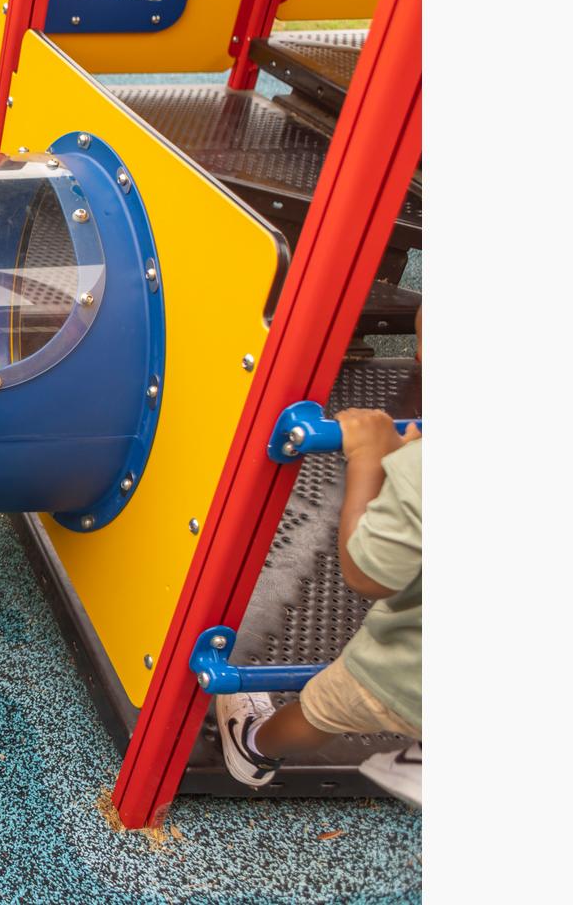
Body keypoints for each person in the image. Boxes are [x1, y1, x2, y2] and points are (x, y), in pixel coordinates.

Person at [215, 310, 423, 806]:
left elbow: (367, 572)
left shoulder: (424, 466)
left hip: (407, 670)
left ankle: (254, 747)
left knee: (320, 709)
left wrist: (372, 461)